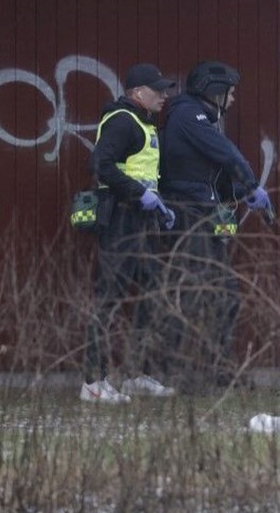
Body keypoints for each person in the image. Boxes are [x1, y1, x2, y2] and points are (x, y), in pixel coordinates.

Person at [159, 60, 272, 392]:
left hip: (202, 212)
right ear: (214, 91)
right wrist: (251, 184)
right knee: (196, 294)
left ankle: (219, 369)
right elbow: (226, 154)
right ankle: (184, 374)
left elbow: (212, 177)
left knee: (224, 294)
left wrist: (240, 193)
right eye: (230, 93)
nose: (233, 99)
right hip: (189, 215)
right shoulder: (187, 115)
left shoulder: (199, 119)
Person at [82, 63, 178, 403]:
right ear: (137, 92)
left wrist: (159, 205)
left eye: (165, 89)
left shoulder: (143, 123)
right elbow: (100, 165)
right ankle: (93, 383)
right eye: (158, 90)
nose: (164, 95)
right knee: (108, 299)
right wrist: (140, 194)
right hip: (121, 222)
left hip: (141, 222)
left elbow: (143, 174)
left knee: (150, 297)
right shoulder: (123, 121)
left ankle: (138, 374)